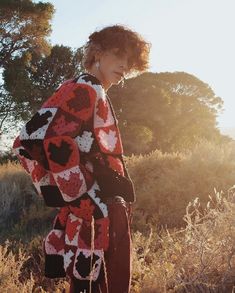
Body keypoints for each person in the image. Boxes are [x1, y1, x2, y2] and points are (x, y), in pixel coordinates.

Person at [12, 24, 151, 293]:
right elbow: (43, 140)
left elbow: (25, 142)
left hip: (92, 206)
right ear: (97, 53)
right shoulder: (88, 88)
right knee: (97, 282)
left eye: (129, 60)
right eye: (117, 54)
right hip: (96, 208)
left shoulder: (77, 85)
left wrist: (66, 195)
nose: (124, 65)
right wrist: (78, 195)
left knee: (88, 280)